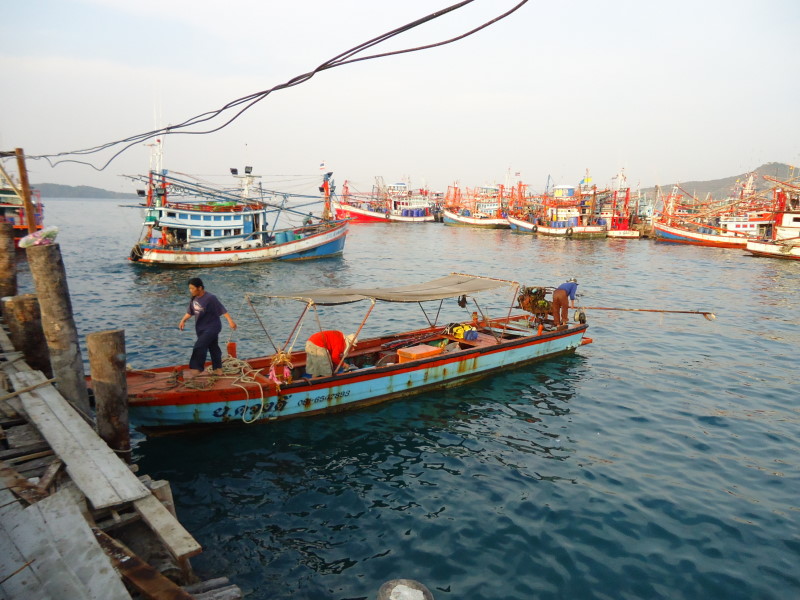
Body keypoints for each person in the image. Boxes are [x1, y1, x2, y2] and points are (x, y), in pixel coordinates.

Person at [178, 277, 236, 376]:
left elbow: (222, 310)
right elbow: (190, 312)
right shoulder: (194, 299)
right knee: (213, 347)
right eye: (190, 288)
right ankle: (218, 369)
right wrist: (183, 320)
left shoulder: (210, 298)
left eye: (192, 288)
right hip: (201, 328)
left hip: (213, 327)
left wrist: (231, 321)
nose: (190, 291)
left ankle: (197, 368)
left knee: (199, 345)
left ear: (199, 288)